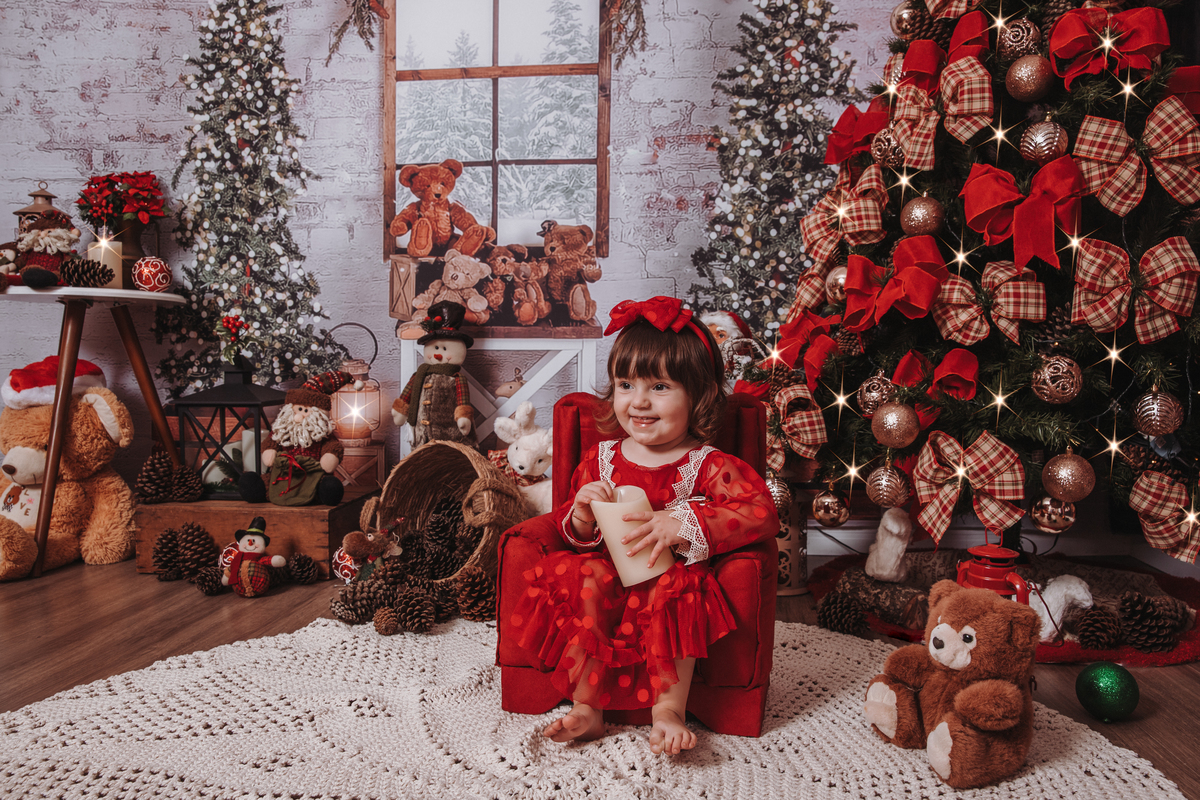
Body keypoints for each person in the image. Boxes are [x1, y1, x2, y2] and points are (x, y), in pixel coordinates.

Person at [511, 296, 779, 755]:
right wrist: (582, 515)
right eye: (625, 385)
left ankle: (668, 710)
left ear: (698, 395)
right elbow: (574, 534)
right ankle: (587, 707)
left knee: (680, 588)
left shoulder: (707, 463)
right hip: (609, 575)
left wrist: (685, 523)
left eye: (659, 387)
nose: (638, 401)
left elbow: (760, 511)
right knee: (581, 574)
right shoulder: (600, 459)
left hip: (668, 579)